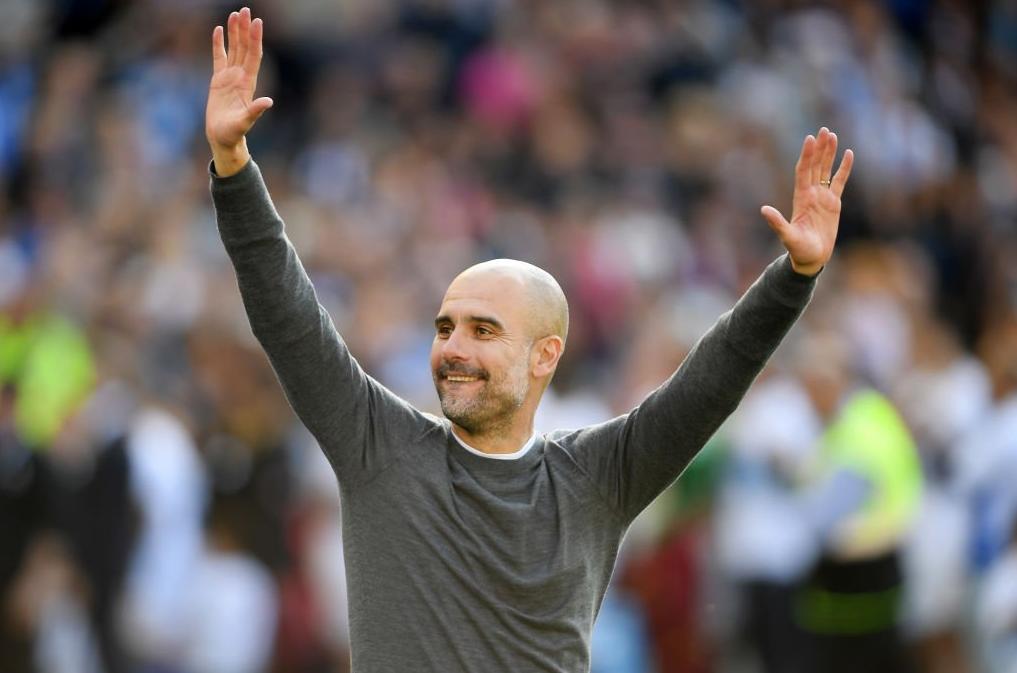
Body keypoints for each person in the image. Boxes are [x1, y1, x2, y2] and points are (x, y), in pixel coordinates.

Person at [205, 7, 854, 672]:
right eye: (445, 327)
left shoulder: (597, 476)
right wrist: (233, 166)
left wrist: (794, 276)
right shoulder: (378, 445)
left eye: (483, 330)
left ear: (545, 355)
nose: (454, 347)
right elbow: (288, 319)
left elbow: (712, 381)